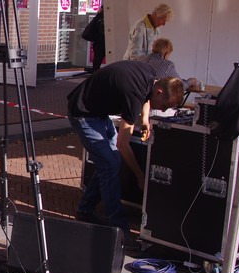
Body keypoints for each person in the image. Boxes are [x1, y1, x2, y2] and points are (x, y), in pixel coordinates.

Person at [67, 60, 184, 231]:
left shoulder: (150, 75)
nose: (164, 111)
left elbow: (147, 97)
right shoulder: (133, 94)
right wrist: (140, 176)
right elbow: (123, 144)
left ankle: (85, 210)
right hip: (83, 113)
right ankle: (118, 227)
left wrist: (145, 119)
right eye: (165, 106)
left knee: (110, 162)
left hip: (97, 112)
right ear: (159, 92)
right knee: (110, 163)